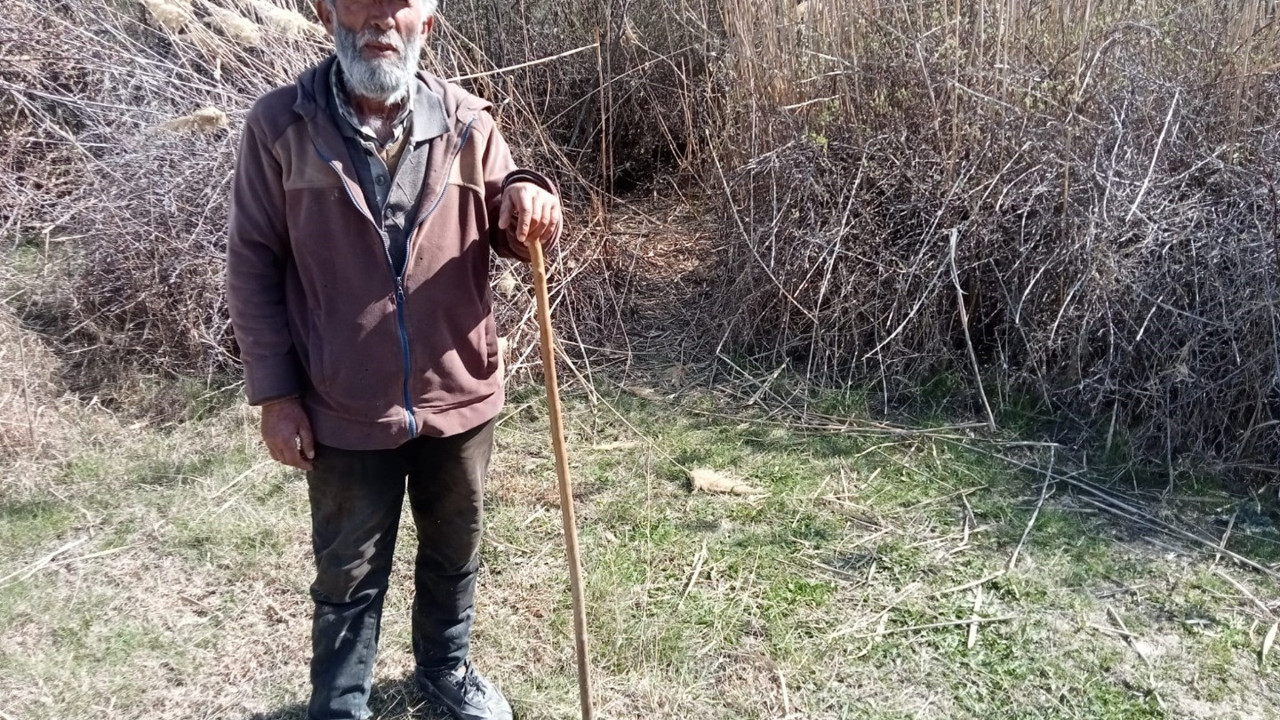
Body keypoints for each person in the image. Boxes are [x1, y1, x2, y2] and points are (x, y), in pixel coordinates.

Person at [225, 0, 562, 717]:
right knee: (347, 572)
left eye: (398, 6)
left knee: (454, 548)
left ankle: (445, 670)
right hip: (343, 400)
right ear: (327, 14)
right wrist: (276, 396)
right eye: (361, 2)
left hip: (458, 392)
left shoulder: (470, 120)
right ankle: (341, 701)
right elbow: (253, 264)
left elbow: (511, 210)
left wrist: (532, 198)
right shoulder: (281, 126)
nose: (380, 19)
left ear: (425, 25)